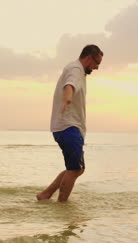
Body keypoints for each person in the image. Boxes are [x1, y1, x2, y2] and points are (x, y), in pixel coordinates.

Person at [37, 44, 103, 202]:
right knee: (75, 169)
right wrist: (68, 98)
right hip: (68, 127)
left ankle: (45, 194)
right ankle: (62, 205)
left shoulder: (76, 70)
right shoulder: (76, 70)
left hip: (69, 127)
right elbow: (69, 85)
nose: (97, 67)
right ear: (88, 58)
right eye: (97, 63)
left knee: (78, 169)